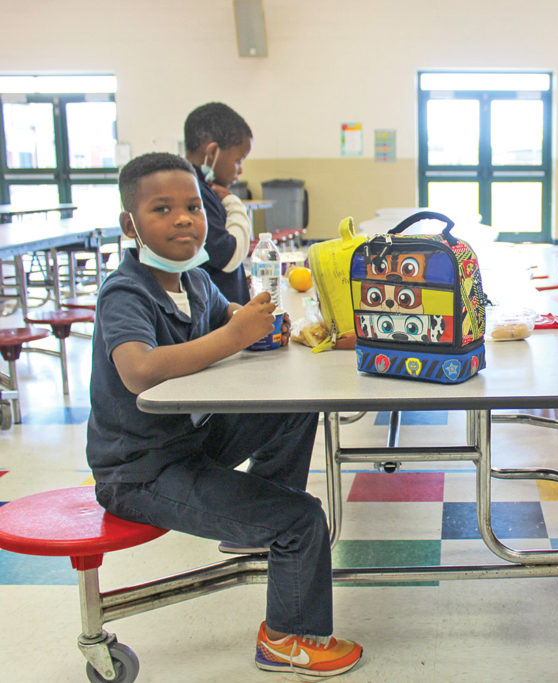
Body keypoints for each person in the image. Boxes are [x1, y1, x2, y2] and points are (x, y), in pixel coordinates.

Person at [86, 152, 363, 677]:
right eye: (162, 209)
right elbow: (139, 370)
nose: (184, 219)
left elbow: (229, 316)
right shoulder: (125, 292)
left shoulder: (193, 279)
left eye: (193, 206)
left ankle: (250, 522)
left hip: (189, 442)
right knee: (301, 519)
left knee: (297, 405)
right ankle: (285, 638)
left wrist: (267, 323)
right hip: (140, 471)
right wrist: (235, 335)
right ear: (130, 225)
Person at [184, 102, 254, 304]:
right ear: (213, 153)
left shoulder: (205, 187)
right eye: (238, 160)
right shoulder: (196, 192)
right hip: (217, 320)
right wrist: (234, 204)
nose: (240, 170)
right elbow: (229, 256)